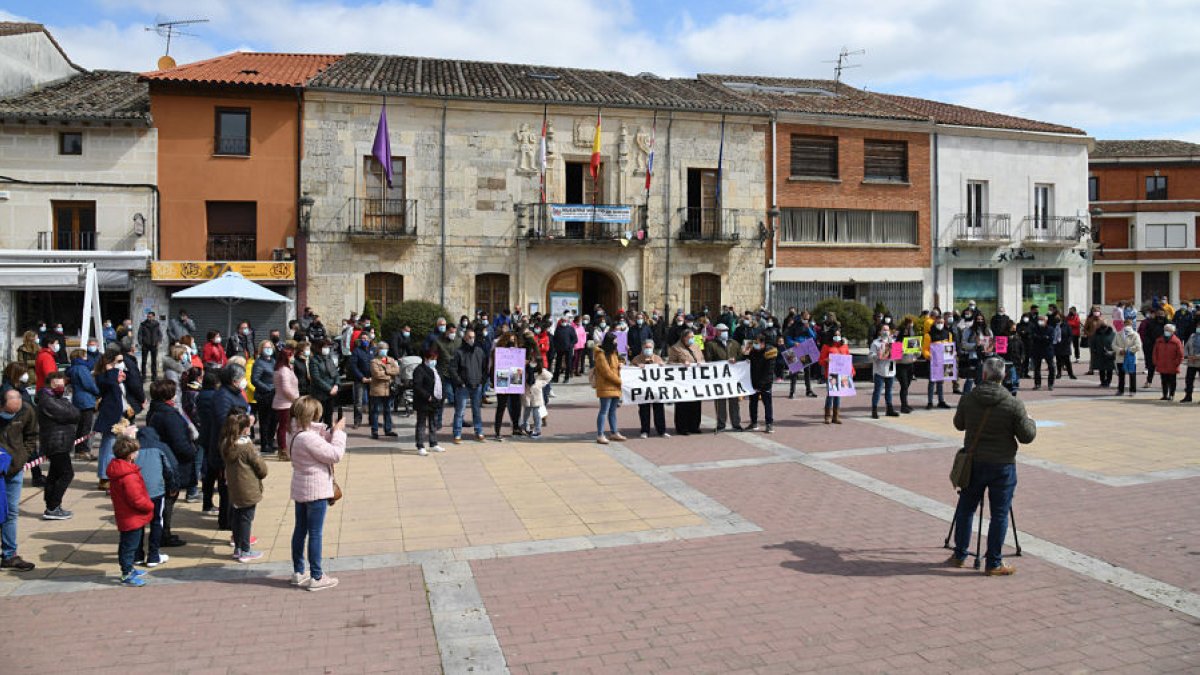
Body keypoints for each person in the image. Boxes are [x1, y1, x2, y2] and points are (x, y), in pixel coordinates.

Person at [947, 357, 1036, 576]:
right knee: (999, 513)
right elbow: (1026, 437)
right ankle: (994, 562)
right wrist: (1029, 420)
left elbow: (959, 424)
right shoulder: (1013, 404)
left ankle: (960, 554)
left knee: (966, 508)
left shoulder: (969, 398)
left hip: (974, 462)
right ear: (1004, 376)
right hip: (1002, 465)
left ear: (984, 375)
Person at [288, 396, 345, 591]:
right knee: (315, 533)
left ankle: (298, 571)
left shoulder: (295, 433)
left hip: (301, 487)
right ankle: (317, 576)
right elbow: (334, 454)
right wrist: (338, 433)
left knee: (300, 530)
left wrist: (325, 430)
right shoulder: (307, 438)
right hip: (316, 489)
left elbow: (318, 446)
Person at [146, 379, 196, 547]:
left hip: (166, 459)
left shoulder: (157, 410)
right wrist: (192, 452)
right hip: (173, 462)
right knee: (168, 499)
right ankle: (163, 534)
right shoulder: (168, 415)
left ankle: (163, 532)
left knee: (166, 499)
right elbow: (179, 442)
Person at [107, 435, 154, 586]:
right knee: (129, 546)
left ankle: (129, 568)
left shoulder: (119, 469)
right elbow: (136, 499)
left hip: (126, 515)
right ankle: (126, 573)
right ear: (130, 454)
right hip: (132, 517)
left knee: (127, 543)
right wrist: (149, 506)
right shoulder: (128, 476)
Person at [221, 413, 267, 562]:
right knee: (246, 518)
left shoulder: (226, 444)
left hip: (234, 487)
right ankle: (246, 550)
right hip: (248, 488)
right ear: (245, 429)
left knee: (236, 517)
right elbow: (261, 468)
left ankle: (238, 547)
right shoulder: (247, 447)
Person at [131, 422, 178, 569]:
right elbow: (171, 468)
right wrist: (173, 486)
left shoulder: (133, 448)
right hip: (156, 492)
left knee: (138, 523)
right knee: (156, 522)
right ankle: (153, 555)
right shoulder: (160, 447)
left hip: (136, 492)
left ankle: (137, 555)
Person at [36, 372, 80, 520]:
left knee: (54, 475)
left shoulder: (58, 398)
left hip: (62, 441)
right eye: (58, 385)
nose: (61, 387)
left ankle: (51, 506)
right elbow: (71, 414)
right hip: (55, 442)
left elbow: (74, 412)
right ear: (50, 384)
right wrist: (70, 410)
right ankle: (54, 506)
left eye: (63, 384)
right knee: (67, 473)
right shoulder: (47, 400)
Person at [93, 351, 130, 491]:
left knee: (112, 445)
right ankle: (104, 476)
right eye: (117, 361)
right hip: (110, 414)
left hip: (118, 412)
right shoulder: (104, 376)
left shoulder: (115, 375)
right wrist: (111, 371)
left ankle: (109, 474)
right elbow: (107, 384)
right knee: (108, 446)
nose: (119, 364)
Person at [704, 324, 744, 432]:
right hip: (719, 379)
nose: (725, 332)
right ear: (717, 332)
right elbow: (708, 360)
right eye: (722, 331)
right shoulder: (711, 344)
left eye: (726, 330)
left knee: (734, 402)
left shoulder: (735, 344)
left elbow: (741, 357)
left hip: (733, 378)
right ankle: (721, 425)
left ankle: (736, 424)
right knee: (720, 402)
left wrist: (736, 359)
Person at [667, 328, 705, 435]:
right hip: (682, 381)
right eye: (690, 337)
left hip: (696, 380)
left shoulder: (697, 346)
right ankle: (682, 427)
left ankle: (695, 426)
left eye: (693, 337)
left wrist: (701, 362)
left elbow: (702, 358)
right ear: (684, 338)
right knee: (683, 405)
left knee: (696, 404)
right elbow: (670, 363)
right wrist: (681, 365)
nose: (692, 339)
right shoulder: (675, 348)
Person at [628, 339, 667, 439]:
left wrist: (662, 366)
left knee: (659, 409)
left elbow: (665, 374)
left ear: (653, 348)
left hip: (656, 390)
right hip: (643, 391)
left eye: (650, 347)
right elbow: (629, 373)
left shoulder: (658, 358)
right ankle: (645, 430)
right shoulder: (636, 359)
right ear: (642, 348)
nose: (648, 349)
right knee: (644, 410)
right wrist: (636, 367)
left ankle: (661, 430)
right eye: (646, 347)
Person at [592, 332, 625, 444]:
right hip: (606, 386)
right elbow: (606, 372)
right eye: (614, 341)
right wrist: (620, 381)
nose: (616, 344)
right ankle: (600, 434)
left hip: (615, 386)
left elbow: (618, 362)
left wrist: (621, 363)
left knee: (613, 411)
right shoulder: (601, 354)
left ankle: (614, 432)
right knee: (604, 410)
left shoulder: (614, 352)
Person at [67, 349, 100, 461]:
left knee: (81, 427)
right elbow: (88, 384)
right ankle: (83, 450)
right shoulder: (81, 368)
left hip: (78, 399)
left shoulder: (74, 368)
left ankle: (79, 449)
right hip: (86, 400)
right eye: (85, 355)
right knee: (86, 427)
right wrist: (98, 392)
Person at [412, 351, 446, 456]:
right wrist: (428, 396)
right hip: (424, 401)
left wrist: (442, 396)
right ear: (426, 359)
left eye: (435, 359)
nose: (434, 361)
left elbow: (440, 383)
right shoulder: (419, 370)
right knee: (421, 423)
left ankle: (433, 443)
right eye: (432, 359)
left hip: (435, 401)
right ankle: (420, 445)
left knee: (433, 423)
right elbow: (417, 386)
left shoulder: (436, 370)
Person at [491, 334, 523, 442]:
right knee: (501, 406)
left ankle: (516, 427)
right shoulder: (497, 352)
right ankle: (498, 431)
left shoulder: (517, 352)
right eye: (510, 340)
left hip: (515, 378)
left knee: (516, 405)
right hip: (502, 378)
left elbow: (520, 366)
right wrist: (494, 382)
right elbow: (493, 367)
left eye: (514, 340)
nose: (512, 342)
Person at [743, 333, 777, 433]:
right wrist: (745, 352)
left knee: (767, 403)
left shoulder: (770, 352)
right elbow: (744, 361)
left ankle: (769, 424)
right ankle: (753, 423)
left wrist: (760, 385)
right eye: (754, 343)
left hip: (765, 383)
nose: (755, 345)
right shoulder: (752, 350)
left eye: (757, 343)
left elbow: (768, 371)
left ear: (763, 343)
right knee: (752, 403)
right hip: (753, 381)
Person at [271, 348, 300, 461]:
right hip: (285, 403)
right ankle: (283, 450)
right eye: (290, 356)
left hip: (286, 402)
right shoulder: (284, 371)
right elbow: (286, 389)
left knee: (285, 427)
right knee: (284, 427)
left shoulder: (286, 369)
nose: (292, 358)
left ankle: (285, 448)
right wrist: (296, 400)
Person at [369, 341, 400, 440]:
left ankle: (388, 429)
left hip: (388, 389)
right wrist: (390, 376)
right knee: (375, 411)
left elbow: (397, 370)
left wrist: (387, 372)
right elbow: (377, 374)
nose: (384, 351)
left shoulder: (391, 360)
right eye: (382, 348)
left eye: (385, 348)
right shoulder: (374, 361)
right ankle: (375, 430)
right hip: (377, 389)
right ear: (378, 350)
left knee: (388, 410)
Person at [820, 329, 852, 424]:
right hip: (831, 373)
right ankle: (827, 416)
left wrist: (851, 371)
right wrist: (826, 360)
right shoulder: (826, 346)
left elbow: (848, 358)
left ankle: (836, 416)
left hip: (842, 373)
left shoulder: (844, 346)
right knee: (831, 395)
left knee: (838, 395)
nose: (837, 336)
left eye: (839, 335)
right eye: (835, 335)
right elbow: (820, 360)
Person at [251, 341, 277, 454]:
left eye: (270, 347)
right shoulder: (259, 362)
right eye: (266, 347)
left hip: (275, 395)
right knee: (265, 421)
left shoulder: (273, 361)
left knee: (274, 421)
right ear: (261, 349)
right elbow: (255, 379)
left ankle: (271, 442)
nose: (268, 349)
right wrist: (267, 388)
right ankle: (265, 444)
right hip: (264, 396)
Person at [869, 325, 899, 419]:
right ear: (880, 331)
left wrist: (899, 353)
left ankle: (889, 409)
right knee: (877, 391)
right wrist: (877, 355)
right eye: (884, 330)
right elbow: (870, 355)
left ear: (890, 332)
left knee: (889, 391)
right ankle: (874, 410)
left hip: (891, 370)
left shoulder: (893, 342)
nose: (886, 331)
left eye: (887, 330)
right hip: (880, 370)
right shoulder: (876, 343)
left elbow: (897, 358)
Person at [308, 340, 340, 428]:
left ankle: (328, 435)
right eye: (325, 347)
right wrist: (329, 389)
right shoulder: (314, 361)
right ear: (319, 348)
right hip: (320, 394)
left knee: (329, 417)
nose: (327, 349)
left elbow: (336, 373)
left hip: (331, 394)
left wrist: (336, 385)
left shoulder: (329, 359)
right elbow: (316, 378)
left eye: (328, 347)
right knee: (318, 417)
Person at [923, 317, 952, 409]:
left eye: (942, 322)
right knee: (932, 382)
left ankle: (941, 401)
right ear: (934, 323)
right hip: (933, 361)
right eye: (938, 322)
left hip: (944, 361)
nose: (940, 324)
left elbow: (949, 346)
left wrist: (952, 354)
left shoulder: (948, 334)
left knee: (941, 382)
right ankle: (930, 402)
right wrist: (928, 356)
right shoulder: (929, 335)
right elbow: (925, 349)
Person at [1152, 324, 1184, 401]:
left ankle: (1172, 394)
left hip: (1172, 365)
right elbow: (1155, 352)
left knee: (1172, 381)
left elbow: (1180, 354)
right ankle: (1165, 395)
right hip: (1162, 364)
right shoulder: (1159, 340)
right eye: (1165, 329)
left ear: (1173, 331)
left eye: (1168, 330)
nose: (1166, 331)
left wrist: (1176, 363)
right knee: (1164, 381)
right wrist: (1156, 361)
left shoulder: (1176, 341)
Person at [348, 334, 374, 428]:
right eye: (363, 338)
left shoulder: (373, 350)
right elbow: (353, 366)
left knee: (373, 401)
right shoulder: (356, 351)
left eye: (366, 338)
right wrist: (361, 377)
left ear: (370, 340)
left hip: (372, 379)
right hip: (360, 379)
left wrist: (373, 377)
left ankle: (372, 420)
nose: (364, 340)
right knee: (358, 401)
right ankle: (357, 421)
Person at [1028, 314, 1057, 391]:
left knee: (1051, 367)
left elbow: (1050, 339)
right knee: (1037, 368)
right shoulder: (1034, 328)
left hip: (1048, 350)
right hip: (1037, 350)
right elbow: (1033, 337)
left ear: (1046, 320)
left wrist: (1040, 338)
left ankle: (1050, 384)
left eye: (1042, 320)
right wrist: (1044, 337)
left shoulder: (1050, 329)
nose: (1040, 321)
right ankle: (1037, 384)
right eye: (1039, 320)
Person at [1114, 323, 1141, 397]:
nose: (1127, 326)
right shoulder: (1118, 334)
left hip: (1131, 358)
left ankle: (1132, 391)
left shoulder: (1135, 334)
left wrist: (1128, 350)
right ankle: (1120, 390)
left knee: (1132, 375)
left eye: (1128, 325)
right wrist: (1119, 350)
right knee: (1121, 375)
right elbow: (1113, 345)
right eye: (1125, 324)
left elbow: (1138, 346)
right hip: (1120, 358)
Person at [1089, 318, 1116, 389]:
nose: (1103, 324)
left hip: (1109, 354)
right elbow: (1092, 343)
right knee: (1101, 369)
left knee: (1109, 369)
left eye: (1105, 323)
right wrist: (1093, 350)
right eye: (1102, 323)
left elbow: (1116, 343)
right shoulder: (1096, 334)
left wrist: (1114, 351)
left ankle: (1108, 381)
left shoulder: (1112, 334)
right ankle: (1103, 381)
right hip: (1099, 354)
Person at [138, 311, 163, 380]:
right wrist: (141, 343)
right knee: (144, 361)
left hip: (154, 345)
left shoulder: (157, 324)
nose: (149, 318)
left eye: (150, 316)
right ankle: (143, 376)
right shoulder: (143, 324)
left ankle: (154, 376)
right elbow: (140, 334)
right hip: (145, 345)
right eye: (148, 316)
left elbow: (160, 334)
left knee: (154, 361)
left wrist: (159, 341)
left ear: (153, 317)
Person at [1183, 323, 1200, 403]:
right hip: (1191, 363)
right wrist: (1187, 356)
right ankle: (1188, 396)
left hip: (1198, 361)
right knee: (1189, 380)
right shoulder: (1192, 336)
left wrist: (1197, 357)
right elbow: (1186, 346)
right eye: (1197, 327)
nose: (1198, 328)